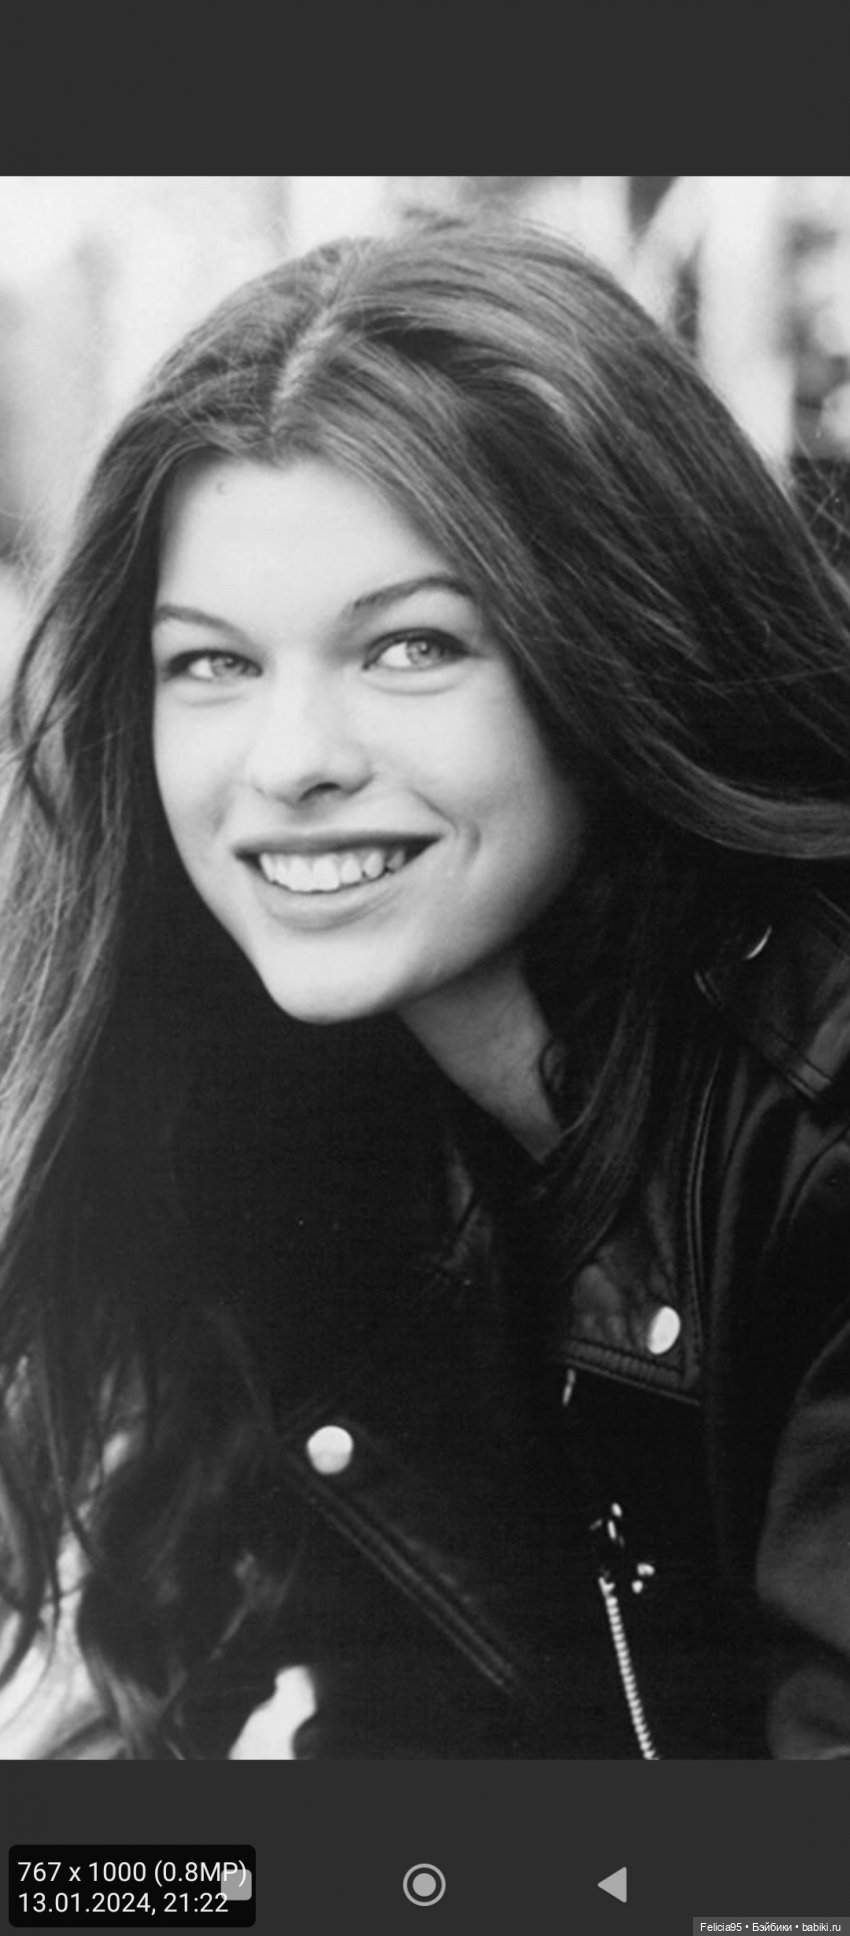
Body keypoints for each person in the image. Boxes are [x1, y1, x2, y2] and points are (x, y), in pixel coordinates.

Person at [2, 212, 850, 1762]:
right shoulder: (315, 1128)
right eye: (212, 663)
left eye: (408, 648)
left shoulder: (817, 1146)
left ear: (624, 645)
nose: (291, 762)